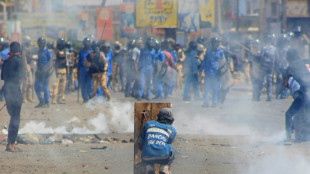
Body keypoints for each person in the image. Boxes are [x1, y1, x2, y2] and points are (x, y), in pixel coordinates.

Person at [138, 107, 177, 174]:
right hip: (163, 157)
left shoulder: (148, 124)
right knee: (174, 150)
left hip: (146, 157)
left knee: (147, 149)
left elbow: (140, 142)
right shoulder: (172, 130)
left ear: (158, 116)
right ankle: (165, 167)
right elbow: (168, 142)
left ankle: (148, 167)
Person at [1, 42, 23, 151]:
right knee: (15, 118)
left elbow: (3, 77)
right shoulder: (18, 61)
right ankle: (11, 144)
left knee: (12, 116)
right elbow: (21, 77)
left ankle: (10, 143)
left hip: (7, 91)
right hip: (15, 91)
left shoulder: (6, 61)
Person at [200, 37, 224, 107]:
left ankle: (215, 102)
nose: (216, 44)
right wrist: (201, 68)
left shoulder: (221, 52)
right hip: (208, 73)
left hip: (216, 74)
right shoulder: (208, 51)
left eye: (217, 43)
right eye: (215, 43)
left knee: (215, 89)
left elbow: (223, 63)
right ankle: (206, 102)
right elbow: (204, 61)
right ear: (212, 43)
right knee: (206, 88)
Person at [34, 37, 53, 108]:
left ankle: (47, 102)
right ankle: (41, 101)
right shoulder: (39, 51)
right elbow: (39, 61)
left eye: (42, 43)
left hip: (45, 71)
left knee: (45, 87)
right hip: (39, 71)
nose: (40, 45)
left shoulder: (48, 51)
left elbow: (50, 62)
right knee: (36, 86)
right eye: (39, 43)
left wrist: (46, 70)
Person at [52, 38, 67, 104]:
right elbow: (54, 61)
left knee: (63, 86)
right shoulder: (56, 51)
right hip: (57, 70)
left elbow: (66, 61)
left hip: (64, 70)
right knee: (55, 86)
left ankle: (60, 99)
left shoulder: (64, 51)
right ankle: (54, 99)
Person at [78, 37, 92, 103]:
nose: (87, 44)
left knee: (89, 84)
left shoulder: (91, 51)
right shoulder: (81, 51)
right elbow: (79, 61)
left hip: (89, 69)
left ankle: (90, 97)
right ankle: (85, 98)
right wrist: (78, 70)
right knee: (83, 85)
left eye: (88, 42)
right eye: (86, 42)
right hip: (82, 69)